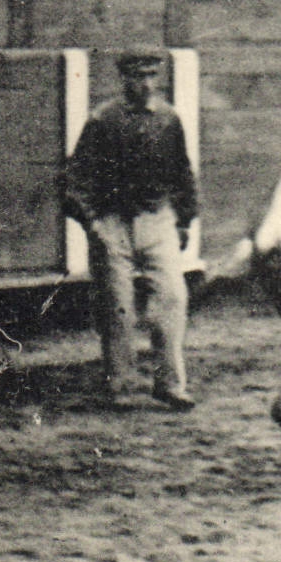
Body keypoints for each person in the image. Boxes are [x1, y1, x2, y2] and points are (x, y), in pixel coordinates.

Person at [62, 49, 200, 410]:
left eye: (152, 75)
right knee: (117, 306)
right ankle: (121, 384)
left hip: (157, 220)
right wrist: (94, 225)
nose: (146, 84)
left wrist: (184, 219)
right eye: (138, 76)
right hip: (114, 221)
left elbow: (183, 173)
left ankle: (170, 383)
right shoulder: (103, 120)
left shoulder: (168, 119)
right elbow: (74, 180)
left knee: (173, 298)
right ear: (124, 79)